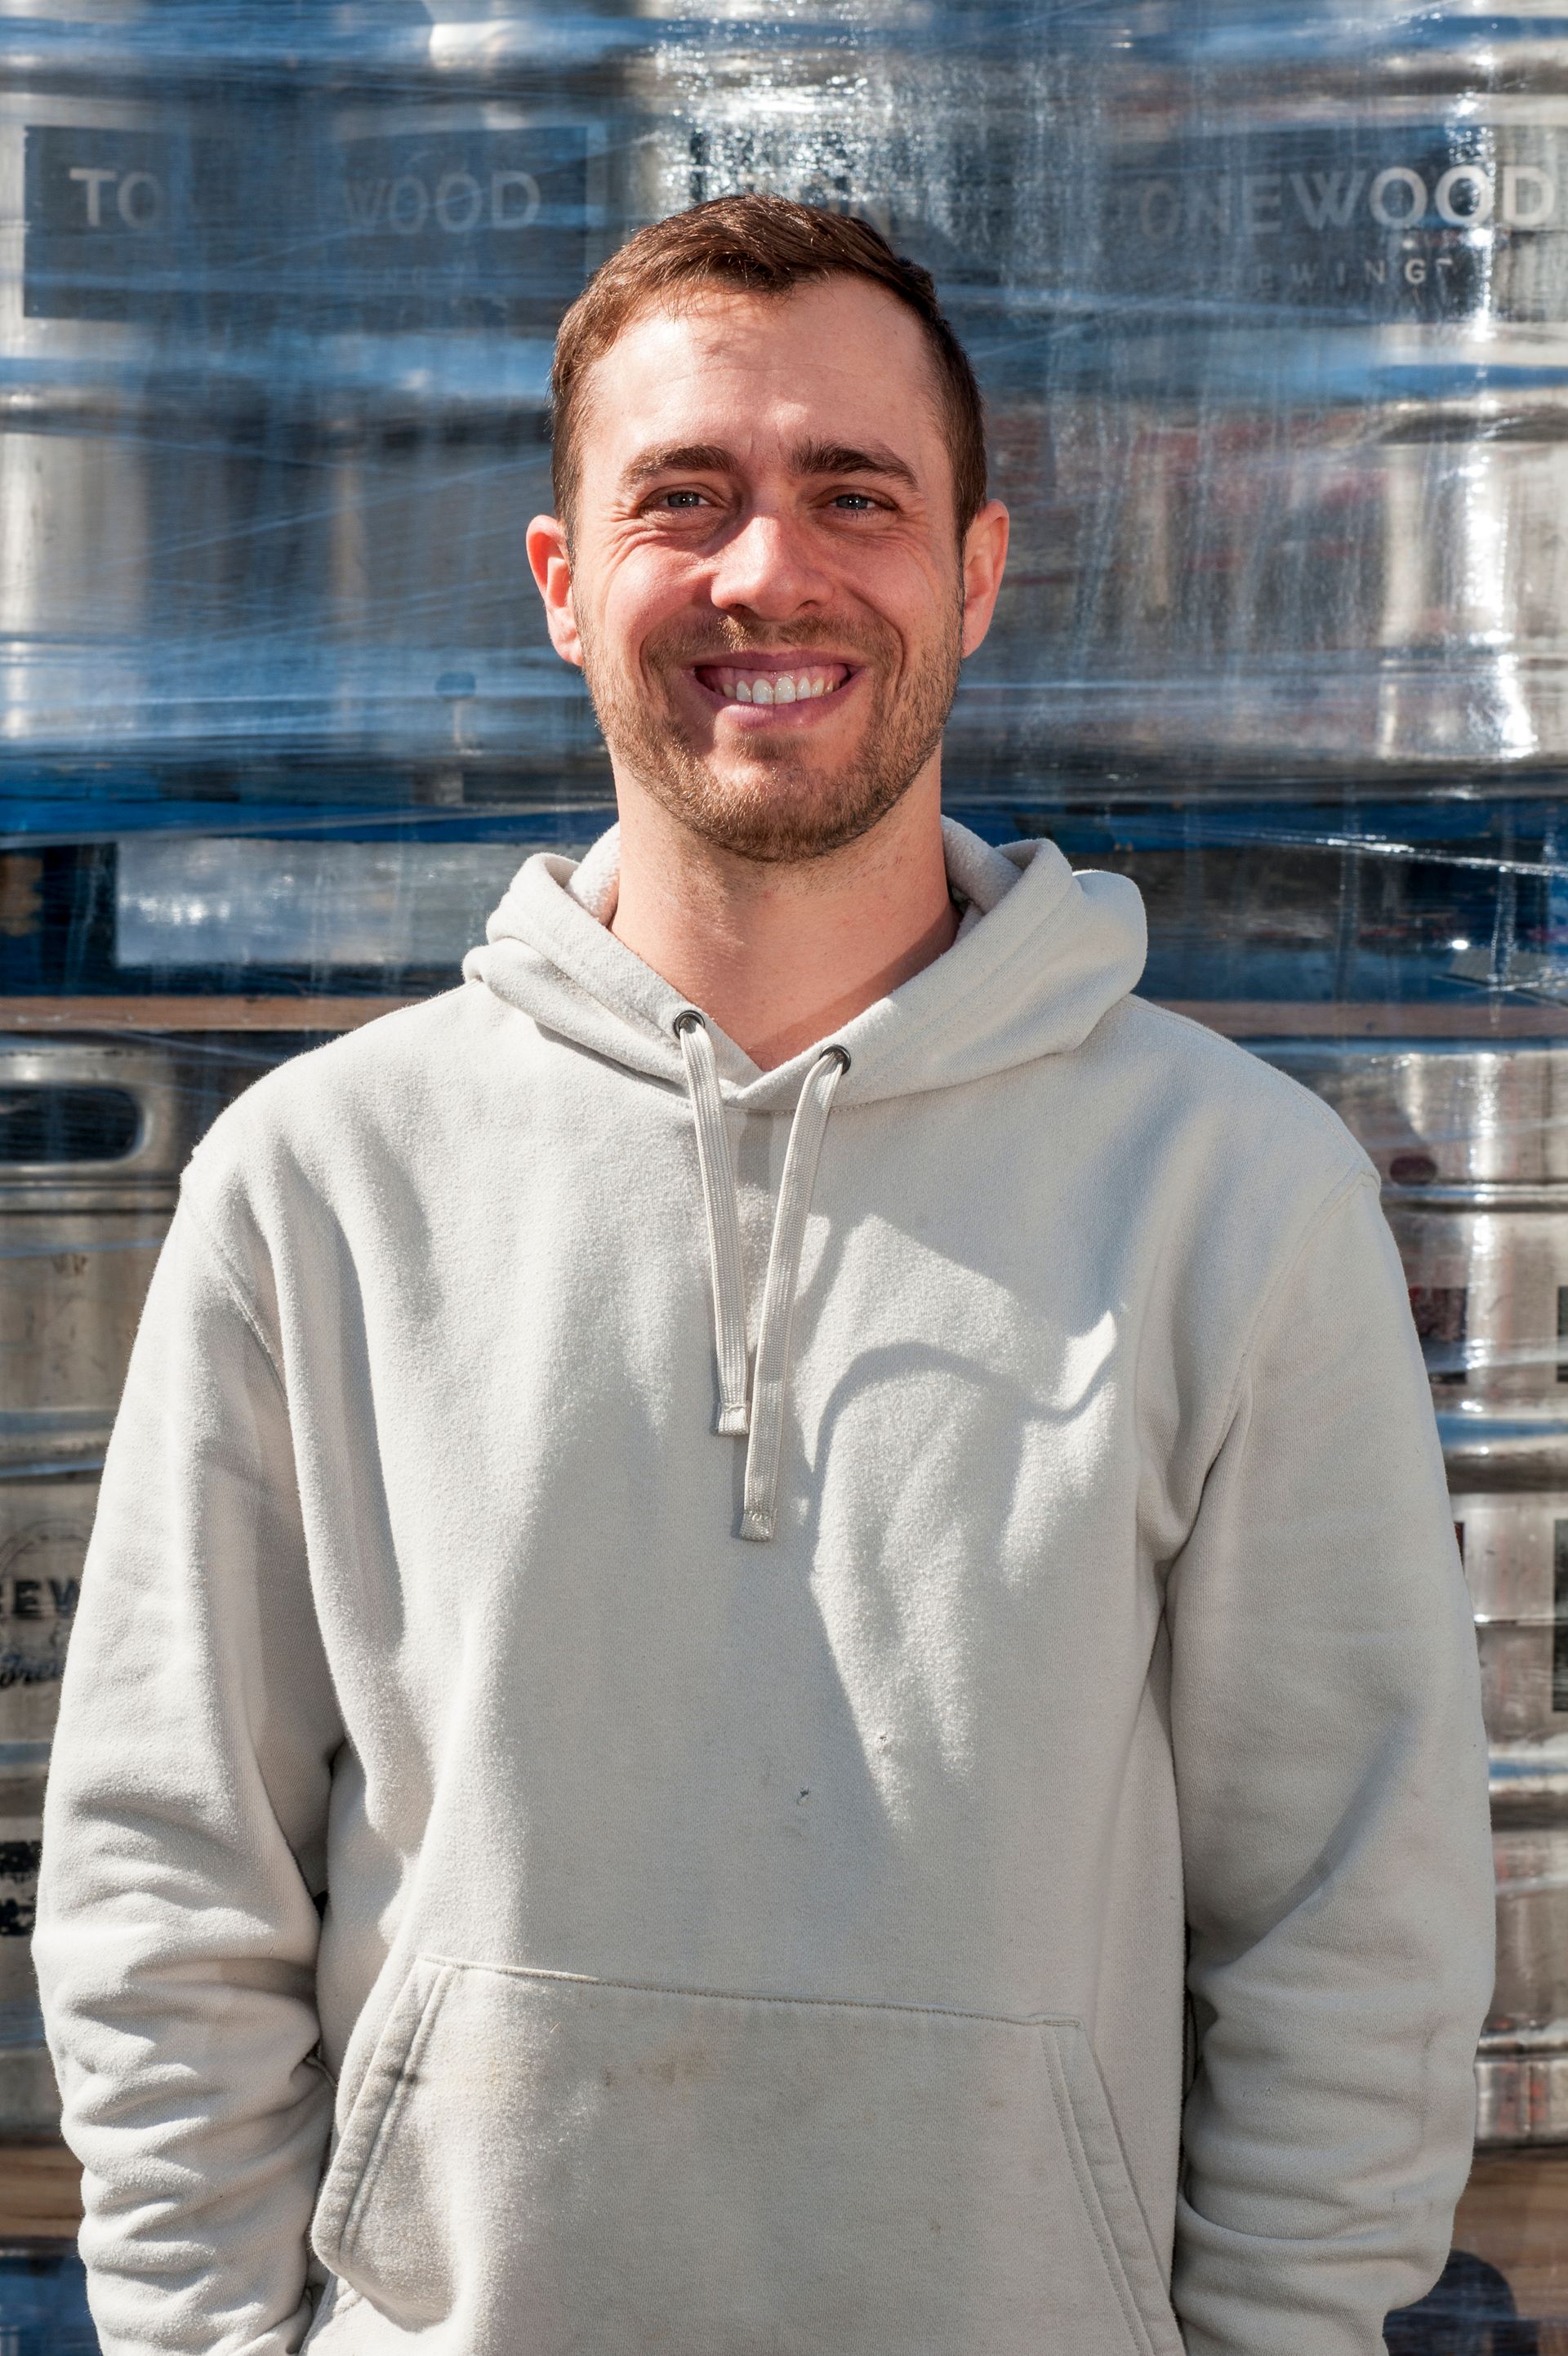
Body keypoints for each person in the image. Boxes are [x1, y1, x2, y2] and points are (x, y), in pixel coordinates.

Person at [37, 194, 1494, 2356]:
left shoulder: (1236, 1198)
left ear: (977, 576)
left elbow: (1348, 1935)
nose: (765, 572)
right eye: (684, 496)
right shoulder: (317, 1187)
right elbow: (170, 1895)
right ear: (560, 584)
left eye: (854, 495)